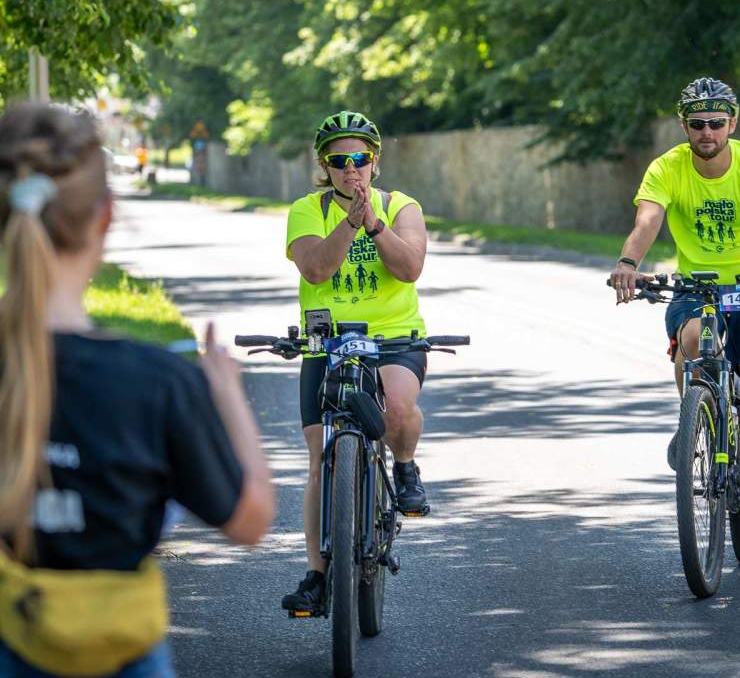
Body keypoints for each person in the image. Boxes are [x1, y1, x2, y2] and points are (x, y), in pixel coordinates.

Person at [0, 104, 274, 677]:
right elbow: (249, 522)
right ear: (106, 215)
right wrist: (227, 396)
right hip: (123, 654)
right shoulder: (154, 380)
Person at [609, 77, 740, 535]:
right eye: (698, 124)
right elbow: (648, 219)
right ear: (685, 126)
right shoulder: (667, 168)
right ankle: (694, 415)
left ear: (732, 123)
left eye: (716, 123)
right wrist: (628, 263)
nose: (707, 132)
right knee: (692, 339)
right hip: (697, 286)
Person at [281, 110, 429, 613]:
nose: (351, 170)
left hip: (392, 340)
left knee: (396, 412)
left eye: (360, 159)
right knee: (321, 453)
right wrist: (349, 224)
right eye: (339, 161)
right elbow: (317, 269)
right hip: (326, 343)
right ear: (324, 165)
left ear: (374, 161)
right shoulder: (307, 210)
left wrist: (375, 224)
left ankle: (404, 468)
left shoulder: (401, 206)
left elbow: (409, 268)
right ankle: (316, 575)